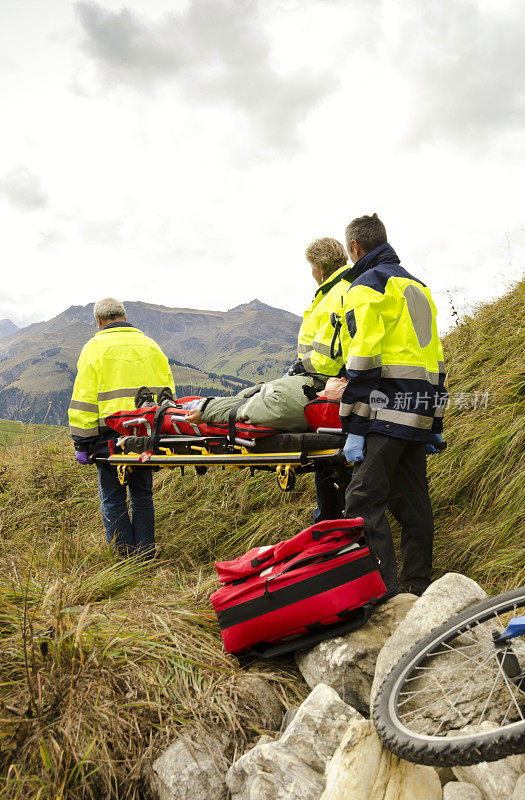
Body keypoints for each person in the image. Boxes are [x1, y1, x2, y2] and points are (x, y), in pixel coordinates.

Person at [338, 214, 447, 597]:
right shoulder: (419, 288)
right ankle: (416, 587)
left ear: (355, 248)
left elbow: (363, 358)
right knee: (413, 501)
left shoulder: (367, 285)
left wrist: (352, 424)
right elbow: (436, 359)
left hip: (385, 413)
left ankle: (383, 595)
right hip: (417, 408)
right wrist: (434, 420)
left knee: (362, 501)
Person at [68, 298, 174, 558]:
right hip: (146, 432)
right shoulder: (150, 345)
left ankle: (124, 558)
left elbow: (84, 399)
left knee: (113, 498)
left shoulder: (94, 347)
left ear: (99, 321)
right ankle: (146, 554)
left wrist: (81, 442)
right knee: (142, 495)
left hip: (109, 435)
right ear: (124, 316)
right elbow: (168, 394)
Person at [288, 237, 356, 521]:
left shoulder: (336, 294)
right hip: (336, 384)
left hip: (328, 385)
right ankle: (336, 521)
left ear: (319, 266)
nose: (311, 273)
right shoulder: (341, 289)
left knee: (329, 459)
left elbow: (328, 354)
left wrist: (297, 369)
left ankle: (333, 526)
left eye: (311, 267)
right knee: (334, 462)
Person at [184, 376, 347, 429]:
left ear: (334, 397)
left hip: (215, 406)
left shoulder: (289, 407)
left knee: (177, 408)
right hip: (234, 399)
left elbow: (243, 409)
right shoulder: (313, 384)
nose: (343, 378)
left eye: (344, 385)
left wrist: (206, 411)